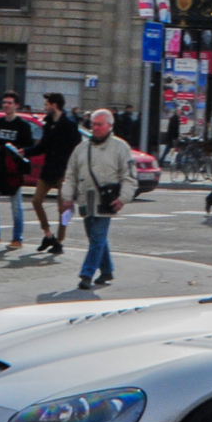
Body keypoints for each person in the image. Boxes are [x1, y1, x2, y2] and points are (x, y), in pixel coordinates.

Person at [61, 108, 137, 290]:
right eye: (93, 124)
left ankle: (87, 274)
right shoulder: (80, 149)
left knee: (97, 237)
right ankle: (107, 270)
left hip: (106, 201)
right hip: (85, 200)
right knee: (95, 238)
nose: (95, 128)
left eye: (99, 124)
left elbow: (129, 177)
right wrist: (67, 197)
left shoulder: (121, 148)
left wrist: (123, 198)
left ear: (110, 126)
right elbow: (70, 175)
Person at [24, 92, 81, 255]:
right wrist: (25, 152)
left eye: (46, 104)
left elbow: (77, 148)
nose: (44, 107)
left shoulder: (69, 124)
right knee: (36, 201)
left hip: (64, 172)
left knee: (63, 208)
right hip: (49, 170)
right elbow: (43, 146)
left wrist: (74, 170)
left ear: (54, 105)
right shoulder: (47, 124)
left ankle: (60, 241)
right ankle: (48, 234)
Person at [0, 91, 34, 249]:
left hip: (13, 171)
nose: (6, 105)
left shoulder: (23, 126)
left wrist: (18, 152)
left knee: (16, 205)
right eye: (4, 102)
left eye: (10, 103)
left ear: (16, 105)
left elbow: (28, 146)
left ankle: (17, 238)